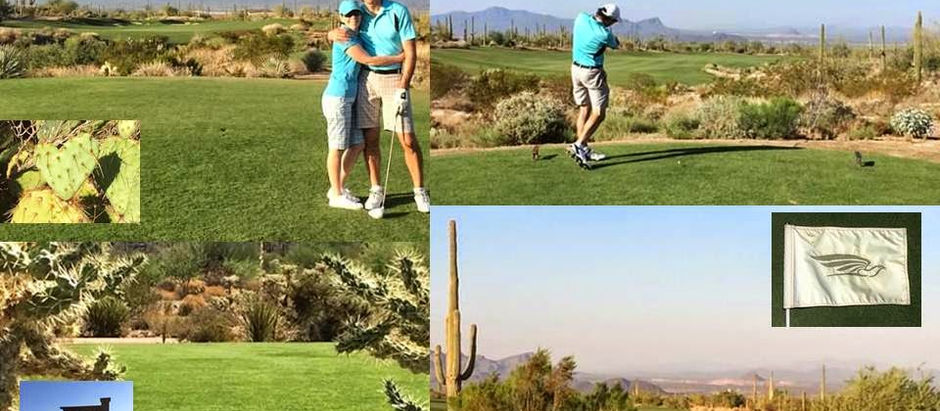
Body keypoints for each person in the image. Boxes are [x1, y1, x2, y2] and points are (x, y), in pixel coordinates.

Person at [329, 0, 428, 219]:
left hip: (394, 78)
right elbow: (342, 31)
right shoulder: (358, 12)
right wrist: (330, 34)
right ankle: (376, 189)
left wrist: (403, 86)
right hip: (367, 78)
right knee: (370, 140)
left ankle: (419, 192)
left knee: (408, 140)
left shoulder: (397, 11)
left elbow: (410, 53)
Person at [322, 0, 404, 210]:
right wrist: (400, 57)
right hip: (338, 97)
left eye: (356, 14)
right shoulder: (345, 36)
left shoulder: (355, 34)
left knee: (358, 144)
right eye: (348, 15)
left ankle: (337, 187)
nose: (353, 18)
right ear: (341, 17)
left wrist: (328, 34)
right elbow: (368, 60)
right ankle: (337, 195)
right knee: (337, 147)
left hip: (350, 98)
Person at [569, 3, 621, 168]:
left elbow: (589, 19)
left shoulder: (581, 18)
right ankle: (579, 145)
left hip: (575, 69)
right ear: (609, 20)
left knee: (584, 109)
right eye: (613, 22)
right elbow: (616, 44)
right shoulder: (604, 34)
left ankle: (582, 148)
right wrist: (607, 28)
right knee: (599, 113)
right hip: (592, 73)